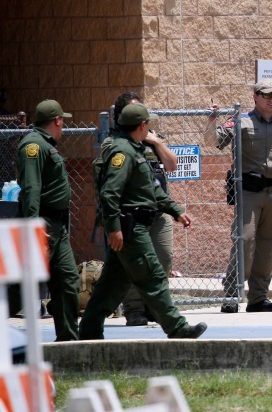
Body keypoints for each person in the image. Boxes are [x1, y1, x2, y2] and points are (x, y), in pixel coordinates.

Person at [79, 103, 206, 340]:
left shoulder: (133, 149)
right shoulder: (123, 152)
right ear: (142, 125)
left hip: (134, 225)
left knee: (112, 284)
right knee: (153, 276)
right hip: (130, 228)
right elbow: (109, 193)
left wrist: (175, 211)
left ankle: (89, 329)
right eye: (148, 122)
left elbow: (151, 190)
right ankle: (177, 328)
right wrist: (115, 229)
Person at [206, 79, 272, 314]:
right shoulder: (241, 121)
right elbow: (214, 141)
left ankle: (258, 298)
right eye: (267, 95)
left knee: (267, 245)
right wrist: (212, 120)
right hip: (249, 193)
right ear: (255, 96)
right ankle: (231, 295)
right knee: (245, 240)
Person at [98, 91, 179, 326]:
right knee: (133, 263)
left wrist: (155, 142)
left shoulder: (152, 139)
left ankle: (154, 307)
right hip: (132, 215)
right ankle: (134, 309)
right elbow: (111, 187)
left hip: (158, 211)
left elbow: (171, 165)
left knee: (163, 258)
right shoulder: (115, 144)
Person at [15, 100, 80, 341]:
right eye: (63, 120)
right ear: (57, 120)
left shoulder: (45, 144)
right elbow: (31, 190)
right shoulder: (33, 145)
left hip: (57, 228)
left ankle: (68, 340)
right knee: (20, 286)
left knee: (68, 280)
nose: (64, 125)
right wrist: (33, 229)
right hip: (42, 225)